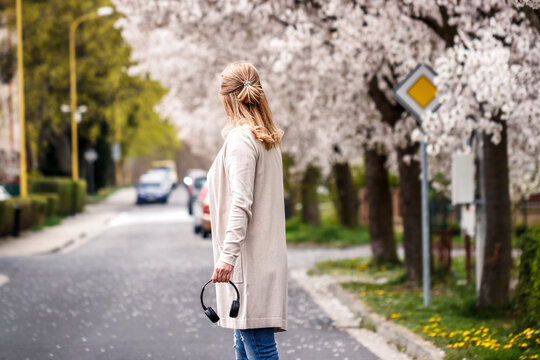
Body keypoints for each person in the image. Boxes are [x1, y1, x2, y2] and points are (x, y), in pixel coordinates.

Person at [206, 62, 288, 360]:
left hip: (248, 264)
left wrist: (226, 257)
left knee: (260, 349)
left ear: (226, 96)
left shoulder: (242, 139)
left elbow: (241, 204)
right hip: (258, 260)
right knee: (244, 344)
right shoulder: (264, 138)